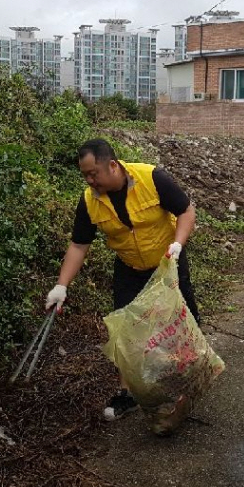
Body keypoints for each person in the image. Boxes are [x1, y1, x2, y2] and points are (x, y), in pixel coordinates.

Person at [45, 138, 200, 421]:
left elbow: (186, 210)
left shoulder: (151, 178)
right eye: (85, 175)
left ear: (112, 166)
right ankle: (127, 394)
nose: (90, 181)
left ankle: (186, 389)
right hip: (129, 267)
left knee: (182, 322)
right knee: (125, 331)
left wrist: (177, 244)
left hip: (168, 262)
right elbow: (79, 245)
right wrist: (61, 285)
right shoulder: (90, 201)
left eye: (94, 173)